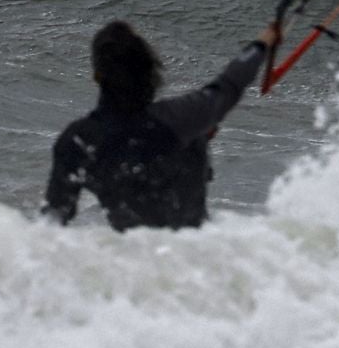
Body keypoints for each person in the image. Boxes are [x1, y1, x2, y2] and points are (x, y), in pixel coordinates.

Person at [44, 18, 279, 231]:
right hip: (194, 261)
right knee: (191, 144)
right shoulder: (177, 118)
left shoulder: (77, 141)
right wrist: (262, 43)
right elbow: (229, 84)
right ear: (150, 71)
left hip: (134, 262)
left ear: (97, 77)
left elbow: (54, 218)